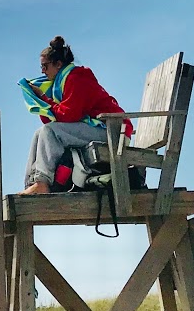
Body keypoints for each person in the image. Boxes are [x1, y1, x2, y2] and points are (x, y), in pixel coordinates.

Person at [22, 36, 131, 195]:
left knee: (49, 131)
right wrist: (41, 103)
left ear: (58, 64)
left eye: (45, 66)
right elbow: (55, 118)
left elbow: (68, 115)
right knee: (40, 133)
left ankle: (42, 182)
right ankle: (33, 184)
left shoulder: (77, 77)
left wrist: (45, 99)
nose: (42, 71)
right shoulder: (63, 81)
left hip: (113, 131)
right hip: (101, 128)